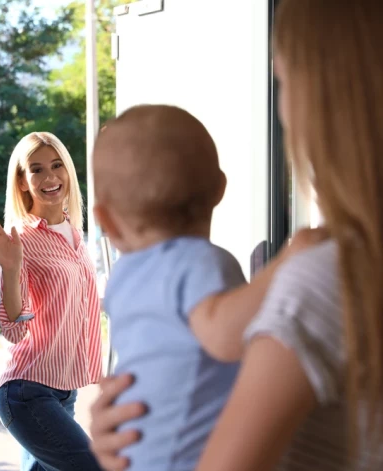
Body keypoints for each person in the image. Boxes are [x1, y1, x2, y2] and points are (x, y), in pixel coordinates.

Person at [89, 1, 383, 470]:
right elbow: (222, 337)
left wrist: (119, 449)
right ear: (219, 190)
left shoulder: (325, 278)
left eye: (283, 81)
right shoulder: (215, 263)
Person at [91, 104, 321, 471]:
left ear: (105, 220)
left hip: (135, 449)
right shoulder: (199, 261)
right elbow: (225, 335)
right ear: (219, 189)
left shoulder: (122, 278)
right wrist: (286, 264)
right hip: (184, 455)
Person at [0, 132, 103, 471]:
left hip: (65, 391)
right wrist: (11, 265)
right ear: (21, 181)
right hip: (26, 391)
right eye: (36, 169)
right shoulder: (20, 239)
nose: (50, 177)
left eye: (57, 165)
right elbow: (14, 329)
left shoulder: (75, 235)